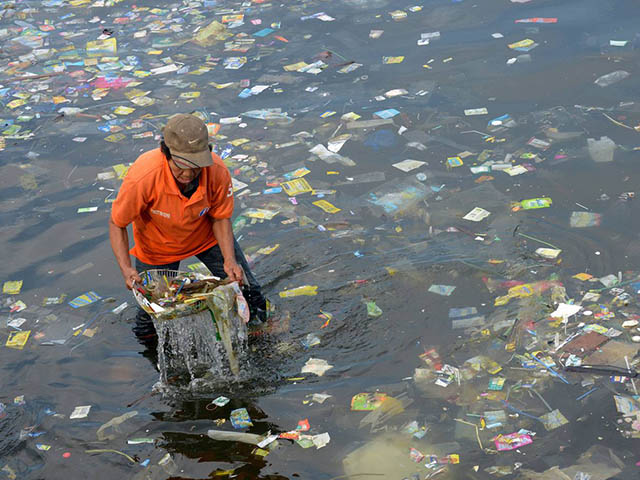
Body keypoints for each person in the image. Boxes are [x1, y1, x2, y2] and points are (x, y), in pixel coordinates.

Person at [109, 113, 268, 345]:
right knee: (152, 313)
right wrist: (126, 269)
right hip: (157, 248)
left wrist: (229, 260)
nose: (188, 174)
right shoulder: (144, 176)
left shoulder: (217, 171)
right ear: (166, 153)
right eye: (181, 167)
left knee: (248, 290)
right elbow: (117, 223)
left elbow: (221, 218)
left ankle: (259, 337)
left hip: (206, 237)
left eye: (195, 167)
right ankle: (154, 353)